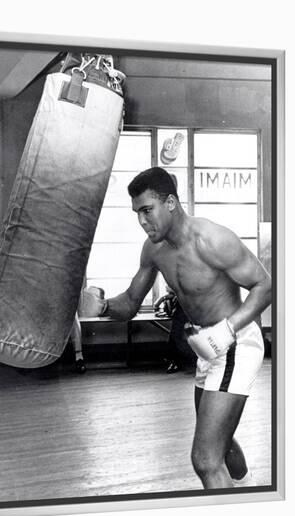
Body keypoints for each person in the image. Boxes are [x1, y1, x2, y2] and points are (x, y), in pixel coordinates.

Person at [82, 167, 271, 489]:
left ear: (170, 202)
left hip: (236, 343)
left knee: (205, 460)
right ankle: (247, 491)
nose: (142, 221)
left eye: (147, 210)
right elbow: (129, 302)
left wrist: (228, 329)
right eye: (137, 213)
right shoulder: (154, 249)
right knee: (219, 443)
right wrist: (101, 306)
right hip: (206, 349)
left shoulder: (212, 239)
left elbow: (265, 285)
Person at [154, 290, 198, 374]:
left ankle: (173, 360)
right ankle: (172, 359)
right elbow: (155, 306)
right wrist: (164, 298)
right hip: (183, 316)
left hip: (191, 314)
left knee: (175, 334)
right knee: (175, 334)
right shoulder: (175, 298)